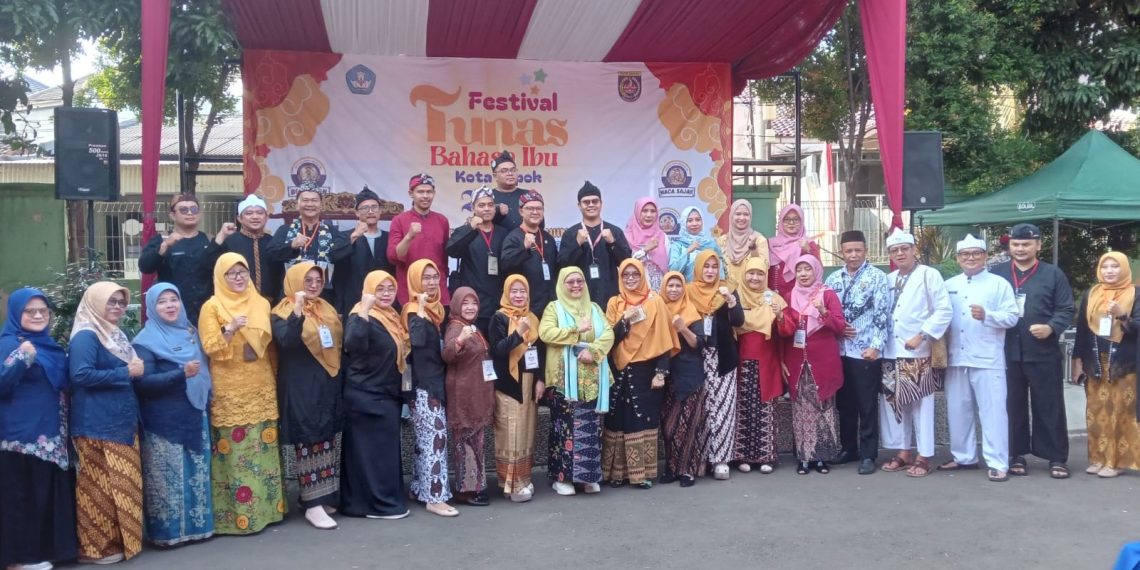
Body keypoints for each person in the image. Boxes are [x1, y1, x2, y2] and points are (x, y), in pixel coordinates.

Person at [199, 253, 285, 535]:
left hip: (261, 385)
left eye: (242, 272)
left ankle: (269, 511)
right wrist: (230, 328)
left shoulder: (261, 303)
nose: (238, 278)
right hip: (230, 388)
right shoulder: (212, 306)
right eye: (231, 273)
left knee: (263, 448)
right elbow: (210, 347)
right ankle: (238, 518)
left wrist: (275, 378)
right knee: (235, 452)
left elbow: (271, 348)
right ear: (221, 277)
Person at [990, 223, 1076, 479]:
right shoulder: (997, 274)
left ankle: (1056, 457)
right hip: (1006, 351)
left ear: (1038, 245)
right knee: (1011, 405)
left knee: (1049, 404)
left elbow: (1066, 309)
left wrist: (1051, 327)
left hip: (1042, 351)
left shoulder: (1053, 274)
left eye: (1026, 244)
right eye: (1015, 244)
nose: (1020, 249)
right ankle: (1015, 454)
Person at [0, 288, 77, 570]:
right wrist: (22, 358)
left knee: (44, 494)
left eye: (43, 311)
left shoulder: (49, 345)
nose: (37, 315)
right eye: (29, 311)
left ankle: (46, 551)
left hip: (52, 434)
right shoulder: (9, 343)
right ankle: (19, 559)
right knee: (22, 497)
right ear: (16, 313)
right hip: (20, 436)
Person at [132, 283, 214, 546]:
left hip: (195, 412)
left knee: (196, 472)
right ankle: (169, 535)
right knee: (169, 478)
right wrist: (181, 374)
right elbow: (143, 383)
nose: (169, 305)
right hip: (164, 420)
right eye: (162, 301)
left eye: (173, 299)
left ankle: (199, 528)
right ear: (152, 308)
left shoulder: (190, 333)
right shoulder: (145, 341)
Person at [69, 282, 145, 564]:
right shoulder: (87, 336)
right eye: (110, 301)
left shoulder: (113, 334)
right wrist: (125, 373)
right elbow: (80, 375)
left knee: (121, 486)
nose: (117, 307)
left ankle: (118, 544)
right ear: (95, 303)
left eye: (121, 302)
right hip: (97, 425)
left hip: (119, 421)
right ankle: (97, 548)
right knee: (99, 489)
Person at [940, 235, 1020, 483]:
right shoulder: (949, 284)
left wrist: (988, 315)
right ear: (957, 258)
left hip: (987, 358)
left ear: (985, 256)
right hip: (956, 357)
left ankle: (998, 462)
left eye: (976, 253)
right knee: (957, 410)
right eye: (965, 254)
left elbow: (1012, 317)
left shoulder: (999, 284)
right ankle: (964, 457)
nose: (971, 258)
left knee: (993, 413)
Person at [271, 263, 345, 529]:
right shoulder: (282, 311)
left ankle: (321, 498)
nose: (314, 285)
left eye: (318, 280)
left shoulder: (326, 308)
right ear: (294, 281)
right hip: (301, 386)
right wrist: (298, 310)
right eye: (307, 280)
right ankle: (313, 505)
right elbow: (287, 341)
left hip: (326, 383)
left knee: (326, 439)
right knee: (309, 440)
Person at [878, 228, 952, 478]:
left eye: (904, 249)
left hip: (918, 351)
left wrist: (923, 334)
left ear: (913, 250)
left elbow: (943, 310)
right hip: (891, 351)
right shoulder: (888, 279)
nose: (900, 253)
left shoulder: (928, 275)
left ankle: (924, 455)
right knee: (896, 403)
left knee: (922, 404)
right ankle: (903, 452)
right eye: (894, 250)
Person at [340, 271, 410, 520]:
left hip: (385, 394)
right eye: (380, 289)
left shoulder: (391, 316)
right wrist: (364, 310)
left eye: (390, 288)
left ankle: (366, 503)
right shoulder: (360, 314)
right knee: (370, 456)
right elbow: (353, 344)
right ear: (368, 290)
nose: (386, 294)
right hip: (366, 396)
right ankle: (377, 505)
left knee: (380, 455)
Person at [602, 259, 677, 489]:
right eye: (626, 275)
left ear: (642, 275)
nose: (631, 278)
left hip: (647, 372)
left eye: (635, 274)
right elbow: (608, 339)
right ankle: (616, 474)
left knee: (642, 419)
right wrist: (624, 319)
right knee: (617, 419)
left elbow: (665, 339)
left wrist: (661, 372)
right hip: (619, 370)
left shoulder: (655, 302)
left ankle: (640, 475)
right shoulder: (615, 303)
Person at [539, 267, 615, 496]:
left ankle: (587, 477)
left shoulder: (594, 308)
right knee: (565, 428)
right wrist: (575, 330)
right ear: (562, 284)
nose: (575, 286)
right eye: (570, 282)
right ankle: (562, 478)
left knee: (590, 427)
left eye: (579, 281)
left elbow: (609, 333)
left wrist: (594, 351)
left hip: (591, 380)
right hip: (563, 381)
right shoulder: (554, 308)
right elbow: (546, 333)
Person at [823, 230, 892, 475]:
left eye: (858, 250)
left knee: (867, 405)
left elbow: (882, 314)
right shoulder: (833, 279)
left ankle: (868, 454)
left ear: (866, 251)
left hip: (865, 351)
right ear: (841, 252)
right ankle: (848, 448)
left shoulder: (877, 277)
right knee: (845, 404)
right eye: (849, 251)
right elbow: (827, 312)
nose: (853, 255)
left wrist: (876, 346)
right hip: (839, 350)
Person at [1071, 251, 1140, 478]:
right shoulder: (1092, 293)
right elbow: (1082, 330)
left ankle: (1115, 462)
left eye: (1115, 266)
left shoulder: (1136, 293)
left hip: (1123, 364)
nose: (1109, 271)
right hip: (1096, 362)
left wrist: (1122, 316)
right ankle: (1098, 458)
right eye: (1105, 267)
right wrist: (1077, 361)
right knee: (1096, 411)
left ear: (1124, 268)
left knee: (1120, 412)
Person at [402, 259, 459, 516]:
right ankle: (435, 497)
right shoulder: (413, 310)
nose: (432, 282)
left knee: (424, 442)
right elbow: (417, 341)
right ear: (415, 280)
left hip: (433, 383)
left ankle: (418, 488)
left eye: (435, 277)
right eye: (425, 277)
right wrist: (422, 308)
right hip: (424, 386)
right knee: (436, 439)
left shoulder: (437, 311)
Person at [783, 255, 846, 475]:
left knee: (824, 408)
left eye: (807, 269)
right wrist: (782, 360)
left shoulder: (827, 294)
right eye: (799, 269)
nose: (803, 274)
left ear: (816, 271)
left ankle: (822, 458)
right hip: (796, 361)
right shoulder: (789, 296)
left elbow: (840, 326)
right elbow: (783, 333)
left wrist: (823, 311)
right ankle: (804, 457)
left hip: (823, 361)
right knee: (801, 410)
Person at [687, 250, 744, 480]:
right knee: (702, 409)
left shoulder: (727, 289)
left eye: (714, 266)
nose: (710, 271)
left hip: (723, 357)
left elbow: (738, 321)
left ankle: (721, 459)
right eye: (706, 266)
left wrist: (731, 301)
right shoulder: (689, 291)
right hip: (696, 358)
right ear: (698, 268)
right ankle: (701, 458)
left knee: (723, 409)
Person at [733, 258, 793, 474]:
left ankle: (766, 456)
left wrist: (779, 315)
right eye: (751, 273)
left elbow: (788, 331)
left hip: (767, 363)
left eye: (759, 274)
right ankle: (744, 457)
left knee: (766, 409)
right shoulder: (736, 297)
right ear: (744, 274)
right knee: (744, 409)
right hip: (741, 362)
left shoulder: (774, 299)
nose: (755, 278)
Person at [488, 275, 545, 502]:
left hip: (529, 382)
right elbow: (498, 350)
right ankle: (510, 484)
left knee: (526, 430)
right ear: (506, 293)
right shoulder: (499, 317)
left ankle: (523, 478)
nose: (519, 295)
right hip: (508, 384)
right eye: (514, 291)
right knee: (510, 432)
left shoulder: (532, 318)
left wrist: (540, 379)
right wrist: (518, 333)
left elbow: (539, 352)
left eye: (523, 291)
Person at [442, 287, 495, 506]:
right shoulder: (456, 327)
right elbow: (447, 355)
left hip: (475, 392)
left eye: (474, 303)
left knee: (476, 441)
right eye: (465, 303)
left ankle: (476, 486)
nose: (471, 307)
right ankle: (466, 490)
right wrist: (460, 341)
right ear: (456, 305)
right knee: (465, 442)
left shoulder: (471, 326)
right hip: (464, 394)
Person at [139, 193, 225, 322]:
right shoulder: (161, 240)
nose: (190, 213)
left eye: (194, 209)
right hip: (173, 311)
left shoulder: (210, 240)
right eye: (183, 210)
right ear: (172, 215)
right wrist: (164, 247)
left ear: (199, 214)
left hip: (206, 312)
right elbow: (145, 267)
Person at [658, 271, 708, 486]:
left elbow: (699, 343)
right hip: (666, 376)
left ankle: (687, 470)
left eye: (678, 285)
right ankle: (671, 468)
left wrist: (682, 328)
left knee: (688, 427)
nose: (674, 290)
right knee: (668, 427)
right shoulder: (658, 310)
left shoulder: (691, 311)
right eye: (670, 285)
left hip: (690, 376)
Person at [558, 182, 632, 305]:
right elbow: (562, 265)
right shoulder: (571, 234)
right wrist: (577, 243)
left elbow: (627, 262)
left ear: (601, 203)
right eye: (586, 202)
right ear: (579, 205)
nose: (591, 205)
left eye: (595, 201)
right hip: (580, 296)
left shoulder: (614, 231)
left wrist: (613, 242)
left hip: (610, 296)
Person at [273, 188, 351, 303]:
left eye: (314, 200)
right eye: (305, 200)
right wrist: (291, 245)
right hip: (292, 297)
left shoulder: (332, 232)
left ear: (321, 205)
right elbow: (271, 255)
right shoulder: (285, 230)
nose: (310, 204)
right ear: (297, 205)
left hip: (324, 297)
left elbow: (341, 262)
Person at [446, 186, 506, 334]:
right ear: (473, 207)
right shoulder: (465, 231)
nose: (486, 209)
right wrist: (470, 228)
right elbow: (451, 251)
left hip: (498, 305)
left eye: (490, 205)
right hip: (472, 306)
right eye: (481, 205)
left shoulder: (503, 233)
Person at [388, 174, 451, 305]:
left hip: (437, 292)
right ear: (411, 193)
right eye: (420, 192)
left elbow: (444, 259)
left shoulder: (442, 220)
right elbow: (393, 257)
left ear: (434, 193)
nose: (425, 196)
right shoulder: (399, 220)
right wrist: (409, 237)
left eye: (429, 192)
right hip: (410, 293)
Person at [221, 194, 292, 302]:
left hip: (271, 304)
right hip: (238, 303)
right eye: (249, 213)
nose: (255, 217)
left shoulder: (273, 242)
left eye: (260, 213)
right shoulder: (230, 242)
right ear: (239, 218)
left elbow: (280, 276)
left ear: (266, 217)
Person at [335, 187, 394, 315]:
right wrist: (354, 236)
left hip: (384, 301)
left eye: (374, 207)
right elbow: (334, 256)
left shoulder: (390, 238)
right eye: (365, 208)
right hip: (354, 301)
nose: (370, 211)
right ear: (356, 213)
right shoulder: (345, 236)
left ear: (380, 211)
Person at [501, 190, 559, 314]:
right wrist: (524, 248)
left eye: (539, 208)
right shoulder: (513, 237)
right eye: (530, 208)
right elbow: (505, 265)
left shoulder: (548, 238)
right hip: (525, 306)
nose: (535, 212)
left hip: (550, 305)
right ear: (521, 211)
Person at [768, 204, 820, 300]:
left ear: (801, 221)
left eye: (796, 219)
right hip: (772, 299)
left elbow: (818, 271)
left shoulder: (809, 243)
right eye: (787, 219)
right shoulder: (770, 244)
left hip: (798, 299)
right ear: (781, 221)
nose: (791, 223)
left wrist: (808, 250)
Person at [717, 199, 769, 290]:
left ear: (750, 216)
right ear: (731, 216)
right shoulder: (722, 241)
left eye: (746, 214)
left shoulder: (759, 240)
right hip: (727, 294)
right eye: (738, 214)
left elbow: (763, 269)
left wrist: (753, 249)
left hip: (750, 294)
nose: (741, 218)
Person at [624, 197, 670, 291]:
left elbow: (668, 264)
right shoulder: (627, 236)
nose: (649, 215)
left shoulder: (663, 237)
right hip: (634, 288)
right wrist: (645, 250)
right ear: (637, 212)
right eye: (644, 211)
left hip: (657, 289)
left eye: (653, 211)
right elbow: (625, 263)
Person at [669, 206, 723, 281]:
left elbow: (720, 271)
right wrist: (687, 251)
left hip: (710, 288)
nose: (694, 224)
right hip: (687, 287)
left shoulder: (711, 245)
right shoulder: (678, 245)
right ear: (684, 223)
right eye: (690, 221)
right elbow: (673, 271)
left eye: (698, 220)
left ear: (702, 222)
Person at [490, 150, 527, 231]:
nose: (510, 173)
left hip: (525, 238)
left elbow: (539, 224)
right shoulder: (487, 197)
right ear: (495, 176)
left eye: (513, 170)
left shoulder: (528, 195)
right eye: (504, 171)